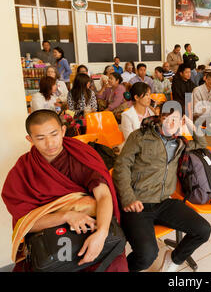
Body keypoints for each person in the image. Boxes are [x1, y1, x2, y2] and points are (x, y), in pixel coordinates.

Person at [1, 110, 128, 272]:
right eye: (40, 138)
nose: (50, 143)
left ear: (62, 131)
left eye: (54, 134)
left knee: (115, 265)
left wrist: (101, 234)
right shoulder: (23, 170)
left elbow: (103, 194)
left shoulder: (81, 153)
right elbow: (25, 223)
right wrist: (67, 215)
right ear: (30, 139)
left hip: (90, 227)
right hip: (50, 238)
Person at [113, 108, 211, 272]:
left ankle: (173, 259)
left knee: (203, 230)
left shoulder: (180, 143)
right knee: (147, 255)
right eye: (168, 118)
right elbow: (121, 167)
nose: (171, 123)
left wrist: (189, 123)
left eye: (176, 120)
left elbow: (202, 144)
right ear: (160, 117)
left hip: (164, 202)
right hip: (138, 202)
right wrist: (128, 198)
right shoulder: (140, 136)